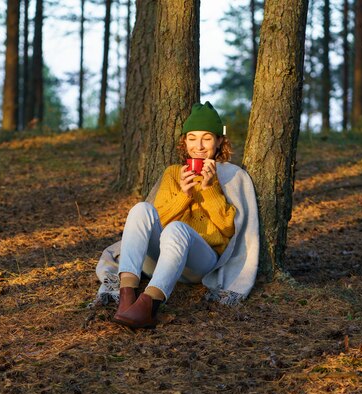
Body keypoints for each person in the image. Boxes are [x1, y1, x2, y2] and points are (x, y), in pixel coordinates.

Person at [93, 101, 260, 329]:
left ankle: (150, 303)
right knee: (141, 209)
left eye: (206, 138)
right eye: (192, 138)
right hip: (162, 259)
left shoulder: (232, 176)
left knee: (177, 229)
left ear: (219, 140)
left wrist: (209, 188)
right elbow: (156, 221)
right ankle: (127, 296)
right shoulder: (173, 173)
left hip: (200, 264)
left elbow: (231, 230)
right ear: (184, 141)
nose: (198, 146)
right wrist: (184, 194)